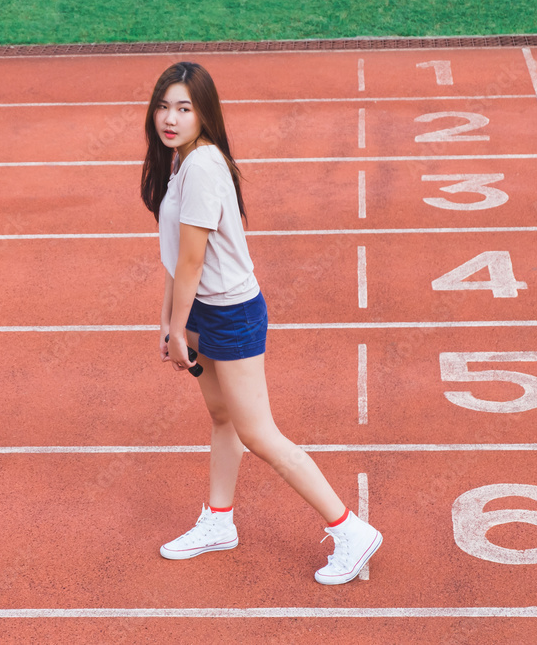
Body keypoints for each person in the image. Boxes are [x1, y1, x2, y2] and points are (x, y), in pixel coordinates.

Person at [140, 61, 382, 585]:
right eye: (164, 105)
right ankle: (220, 522)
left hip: (229, 311)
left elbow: (192, 261)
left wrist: (178, 329)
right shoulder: (181, 162)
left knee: (258, 433)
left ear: (205, 112)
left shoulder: (203, 166)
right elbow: (176, 257)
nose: (171, 117)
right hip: (204, 307)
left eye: (184, 107)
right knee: (223, 418)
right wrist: (169, 323)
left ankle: (349, 529)